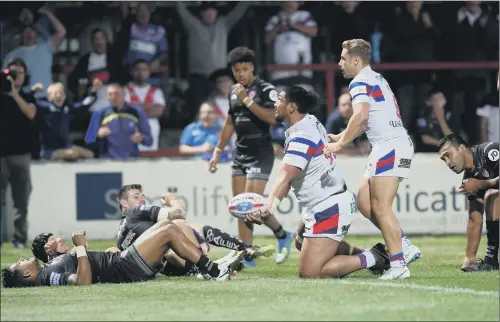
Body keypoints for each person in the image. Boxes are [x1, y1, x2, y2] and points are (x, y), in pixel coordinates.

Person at [249, 86, 390, 278]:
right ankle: (367, 255)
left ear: (291, 107)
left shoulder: (301, 136)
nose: (275, 103)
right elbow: (289, 178)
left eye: (280, 99)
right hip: (324, 203)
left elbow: (285, 177)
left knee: (310, 272)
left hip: (329, 207)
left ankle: (373, 258)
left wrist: (268, 207)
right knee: (300, 240)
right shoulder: (310, 122)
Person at [324, 39, 421, 280]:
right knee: (365, 202)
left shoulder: (358, 82)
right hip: (390, 144)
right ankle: (404, 245)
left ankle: (398, 265)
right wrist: (342, 135)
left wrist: (340, 143)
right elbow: (366, 118)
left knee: (380, 206)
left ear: (356, 60)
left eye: (343, 58)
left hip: (389, 146)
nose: (340, 63)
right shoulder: (375, 77)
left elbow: (361, 116)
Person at [208, 47, 293, 268]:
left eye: (244, 69)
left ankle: (282, 234)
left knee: (252, 206)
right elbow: (229, 122)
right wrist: (217, 151)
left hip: (260, 152)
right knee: (240, 208)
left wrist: (247, 100)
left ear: (252, 67)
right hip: (240, 153)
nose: (240, 74)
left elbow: (273, 118)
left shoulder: (266, 89)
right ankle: (246, 256)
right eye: (236, 71)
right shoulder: (233, 91)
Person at [2, 222, 244, 288]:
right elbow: (82, 282)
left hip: (122, 262)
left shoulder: (48, 270)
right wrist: (82, 247)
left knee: (169, 226)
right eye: (19, 263)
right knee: (169, 229)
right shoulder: (50, 275)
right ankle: (213, 271)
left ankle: (209, 268)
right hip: (127, 268)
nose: (21, 259)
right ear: (26, 273)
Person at [115, 184, 274, 276]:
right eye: (136, 196)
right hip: (170, 262)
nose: (142, 199)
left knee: (191, 228)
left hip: (158, 267)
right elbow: (180, 214)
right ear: (124, 203)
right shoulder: (135, 212)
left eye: (142, 196)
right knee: (178, 223)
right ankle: (210, 266)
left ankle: (243, 249)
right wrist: (173, 201)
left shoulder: (122, 231)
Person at [438, 134, 499, 272]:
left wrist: (482, 184)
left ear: (461, 149)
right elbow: (474, 219)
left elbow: (485, 186)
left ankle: (491, 260)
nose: (448, 163)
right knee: (492, 197)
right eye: (444, 159)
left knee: (493, 196)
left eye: (448, 155)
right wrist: (469, 257)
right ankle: (490, 260)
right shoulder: (469, 179)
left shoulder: (490, 152)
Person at [0, 58, 37, 248]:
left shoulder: (28, 94)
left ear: (24, 75)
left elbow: (30, 113)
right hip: (1, 155)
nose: (15, 77)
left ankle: (19, 239)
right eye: (12, 73)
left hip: (21, 155)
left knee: (20, 201)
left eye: (19, 74)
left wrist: (14, 93)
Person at [84, 84, 153, 159]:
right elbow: (88, 142)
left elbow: (150, 141)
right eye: (110, 94)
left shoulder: (137, 111)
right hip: (107, 162)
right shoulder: (99, 114)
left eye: (117, 94)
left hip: (131, 160)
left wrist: (141, 138)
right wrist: (98, 135)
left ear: (124, 94)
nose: (113, 97)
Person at [31, 232, 121, 264]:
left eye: (57, 237)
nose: (60, 239)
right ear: (48, 251)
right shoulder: (60, 268)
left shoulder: (70, 260)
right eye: (54, 241)